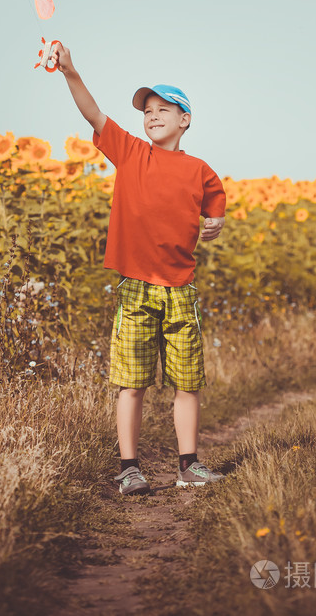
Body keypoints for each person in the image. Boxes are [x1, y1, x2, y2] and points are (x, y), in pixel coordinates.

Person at [52, 43, 226, 496]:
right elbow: (93, 115)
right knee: (131, 383)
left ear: (184, 119)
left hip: (181, 291)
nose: (151, 116)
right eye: (147, 110)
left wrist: (216, 220)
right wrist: (70, 70)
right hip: (136, 289)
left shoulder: (199, 170)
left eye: (162, 109)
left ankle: (189, 465)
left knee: (187, 383)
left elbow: (216, 199)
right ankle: (129, 467)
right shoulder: (130, 152)